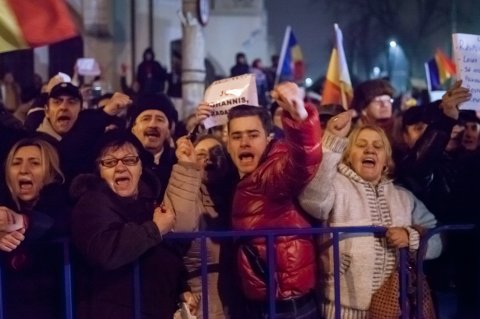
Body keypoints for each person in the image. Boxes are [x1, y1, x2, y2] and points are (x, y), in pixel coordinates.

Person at [196, 82, 322, 318]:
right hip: (259, 302)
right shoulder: (240, 178)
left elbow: (304, 160)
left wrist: (299, 117)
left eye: (253, 135)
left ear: (268, 138)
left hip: (287, 305)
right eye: (236, 136)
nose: (244, 142)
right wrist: (195, 127)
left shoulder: (272, 173)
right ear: (228, 144)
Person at [298, 112, 442, 319]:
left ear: (386, 160)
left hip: (393, 311)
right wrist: (332, 141)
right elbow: (312, 201)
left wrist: (412, 237)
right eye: (361, 144)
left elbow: (438, 239)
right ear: (348, 155)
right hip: (342, 310)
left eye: (378, 146)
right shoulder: (335, 186)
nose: (370, 150)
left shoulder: (403, 197)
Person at [71, 130, 190, 319]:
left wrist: (182, 288)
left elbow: (164, 256)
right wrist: (155, 229)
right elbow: (105, 250)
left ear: (141, 167)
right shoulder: (92, 202)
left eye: (129, 160)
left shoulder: (150, 204)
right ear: (99, 171)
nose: (120, 167)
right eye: (109, 162)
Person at [165, 133, 237, 318]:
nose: (209, 159)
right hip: (203, 306)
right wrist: (187, 168)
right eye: (201, 153)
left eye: (217, 153)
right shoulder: (188, 195)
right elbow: (179, 226)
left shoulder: (237, 194)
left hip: (240, 303)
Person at [0, 138, 71, 319]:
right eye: (16, 163)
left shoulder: (66, 203)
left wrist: (20, 222)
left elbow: (56, 222)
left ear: (51, 172)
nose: (24, 170)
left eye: (35, 163)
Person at [129, 93, 178, 198]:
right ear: (133, 128)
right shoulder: (121, 163)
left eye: (160, 119)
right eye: (146, 119)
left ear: (169, 130)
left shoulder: (179, 163)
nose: (153, 124)